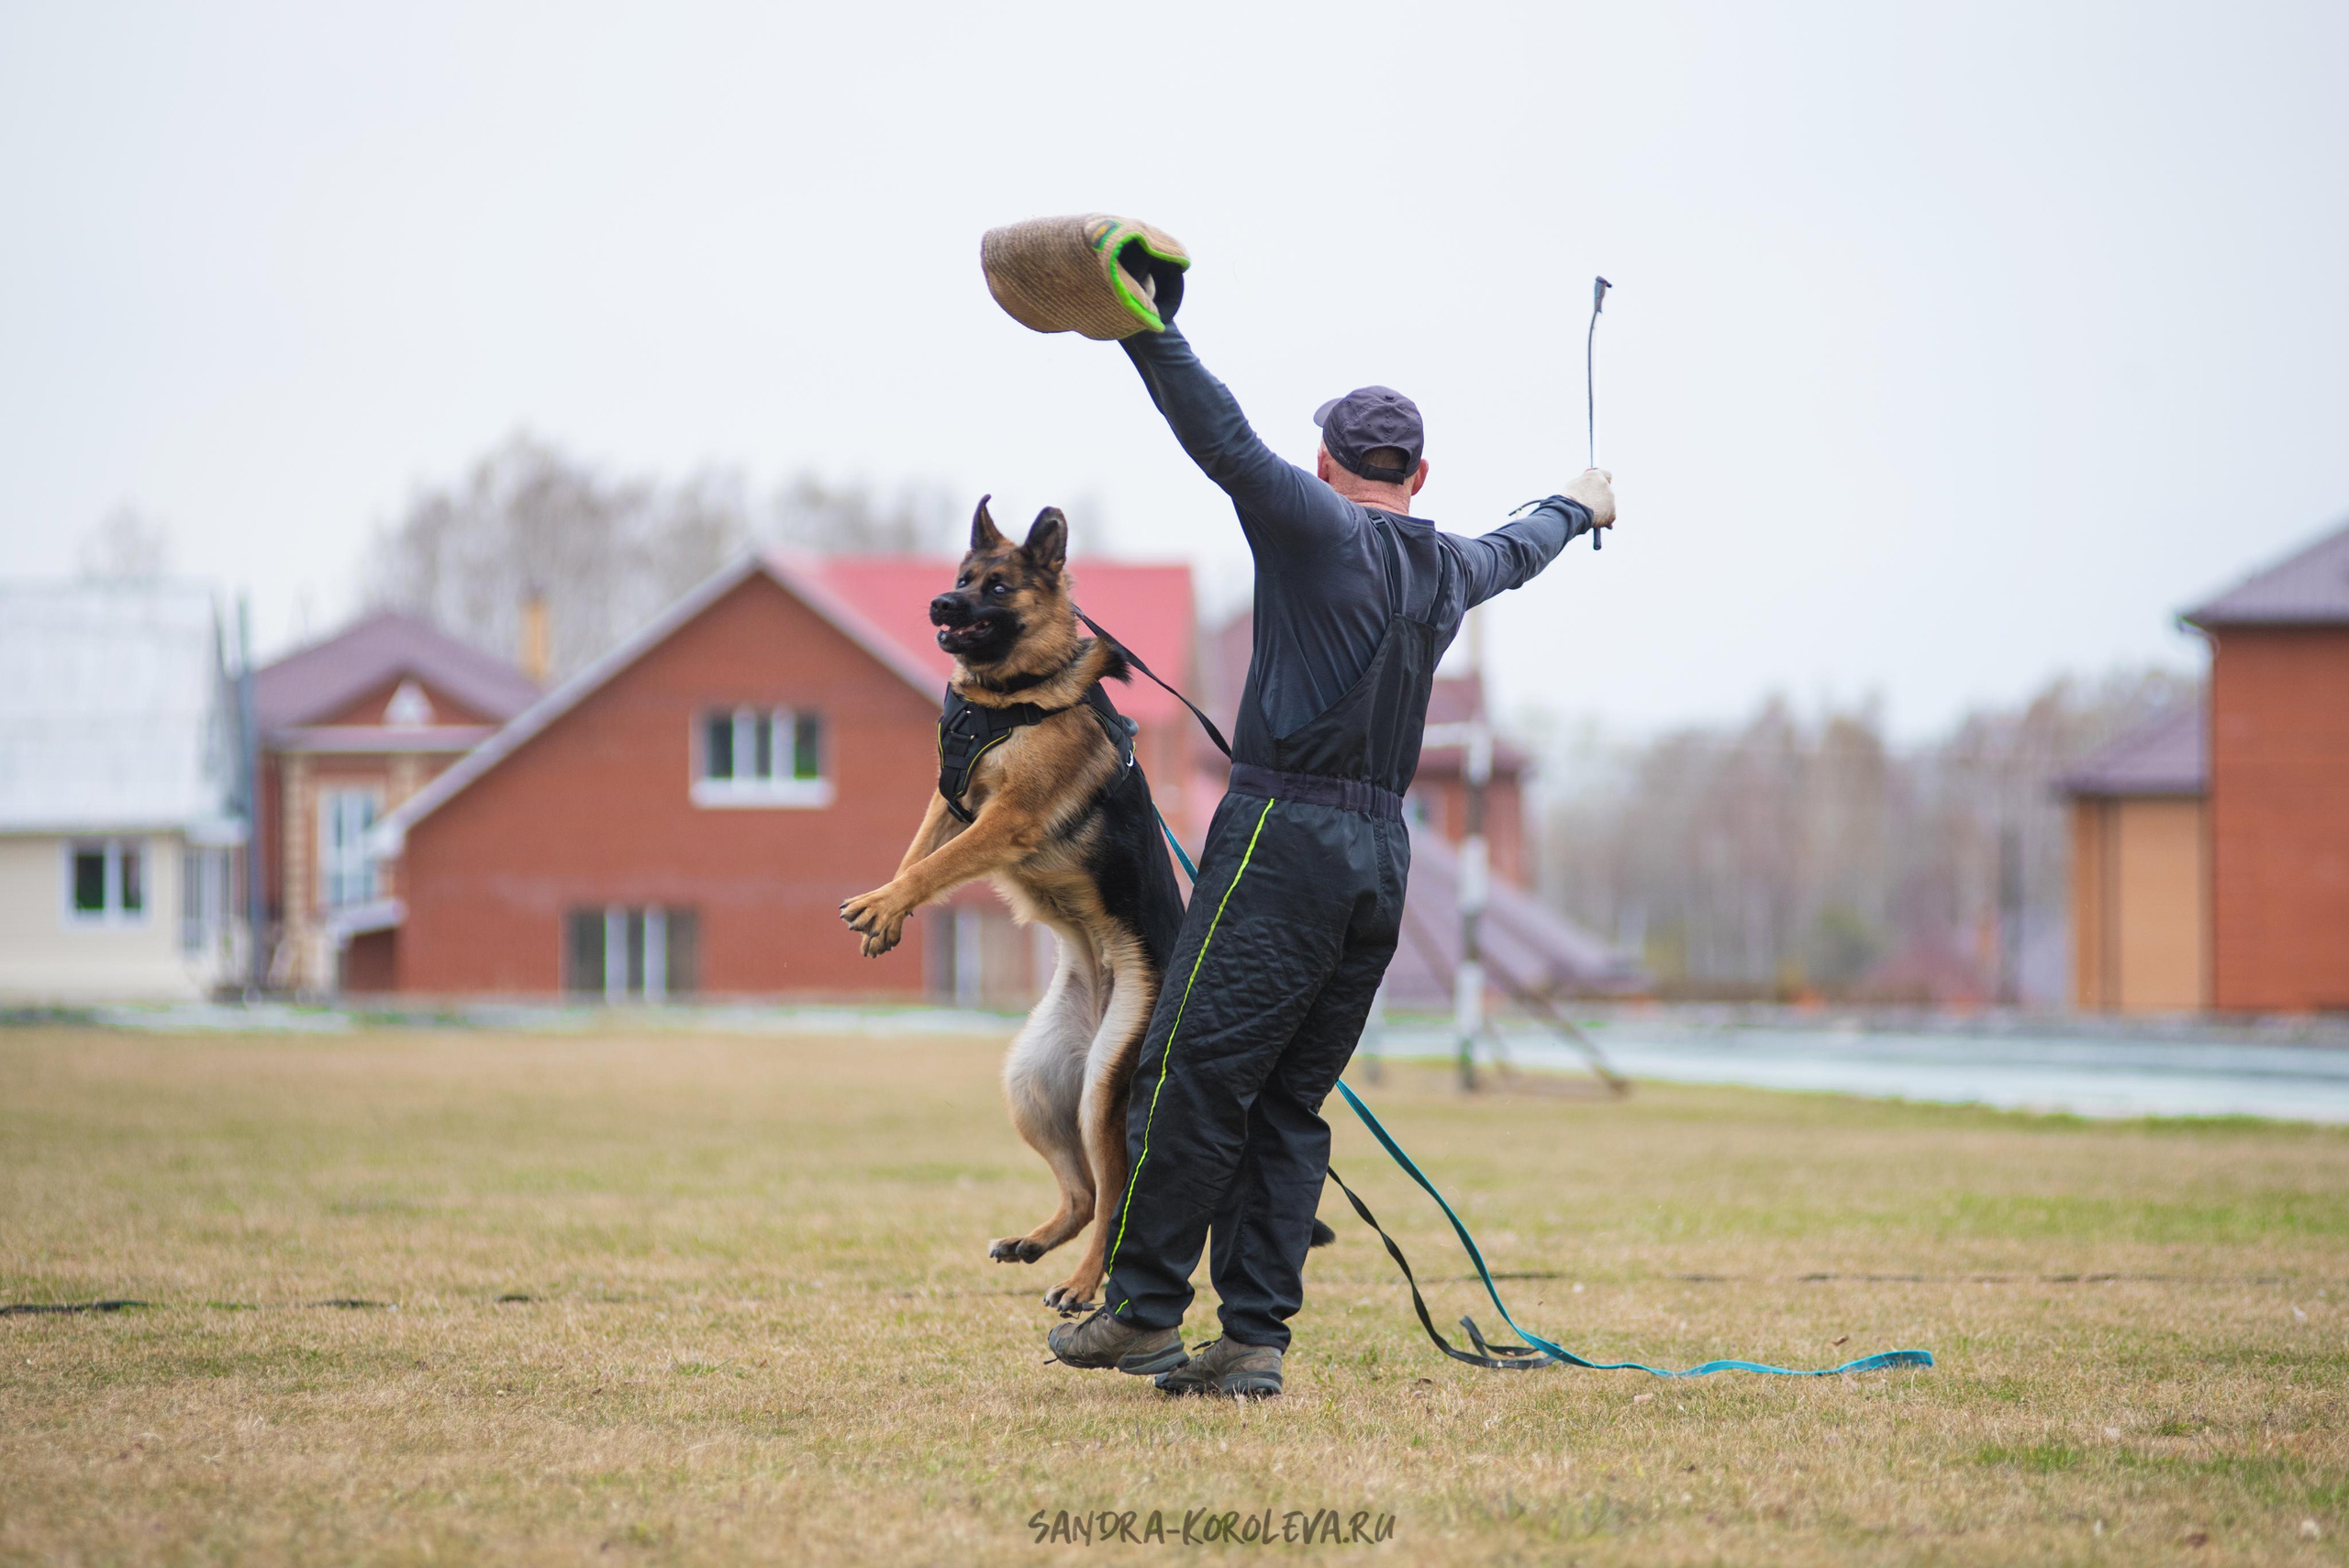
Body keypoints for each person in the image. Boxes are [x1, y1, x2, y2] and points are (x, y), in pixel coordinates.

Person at [1045, 302, 1616, 1399]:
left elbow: (1218, 437)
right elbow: (1526, 542)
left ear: (1323, 462)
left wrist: (1139, 329)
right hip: (1379, 855)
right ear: (1420, 470)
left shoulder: (1311, 523)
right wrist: (1579, 503)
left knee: (1190, 1072)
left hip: (1280, 838)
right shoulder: (1449, 565)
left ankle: (1147, 1310)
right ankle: (1252, 1339)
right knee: (1286, 1101)